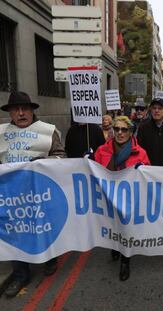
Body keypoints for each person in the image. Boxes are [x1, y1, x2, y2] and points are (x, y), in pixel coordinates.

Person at [0, 91, 66, 297]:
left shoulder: (47, 132)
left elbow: (61, 156)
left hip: (40, 192)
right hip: (11, 195)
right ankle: (20, 275)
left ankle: (49, 258)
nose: (21, 113)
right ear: (9, 113)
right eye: (16, 109)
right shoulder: (1, 134)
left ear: (32, 110)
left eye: (25, 109)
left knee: (42, 226)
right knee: (14, 231)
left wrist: (40, 164)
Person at [94, 116, 150, 281]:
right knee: (112, 224)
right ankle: (115, 245)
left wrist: (143, 169)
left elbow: (149, 175)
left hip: (129, 198)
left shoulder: (140, 152)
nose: (119, 132)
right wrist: (87, 160)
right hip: (109, 196)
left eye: (124, 129)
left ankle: (125, 261)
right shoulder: (102, 150)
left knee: (126, 228)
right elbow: (94, 170)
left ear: (130, 132)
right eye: (116, 129)